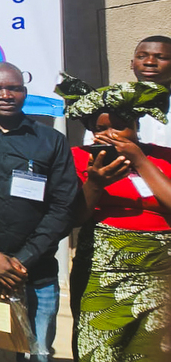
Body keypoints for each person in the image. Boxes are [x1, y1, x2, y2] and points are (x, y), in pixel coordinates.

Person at [0, 63, 78, 362]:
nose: (5, 94)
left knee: (38, 351)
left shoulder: (51, 140)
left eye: (14, 88)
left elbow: (63, 205)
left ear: (25, 92)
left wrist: (23, 259)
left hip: (36, 270)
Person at [55, 75, 171, 362]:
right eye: (100, 128)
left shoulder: (163, 158)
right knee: (101, 349)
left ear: (137, 126)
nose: (110, 133)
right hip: (103, 272)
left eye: (120, 126)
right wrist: (95, 184)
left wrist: (139, 160)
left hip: (160, 271)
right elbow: (75, 218)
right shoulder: (79, 158)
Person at [83, 36, 171, 148]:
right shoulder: (107, 103)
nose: (149, 62)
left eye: (161, 57)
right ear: (132, 64)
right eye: (142, 56)